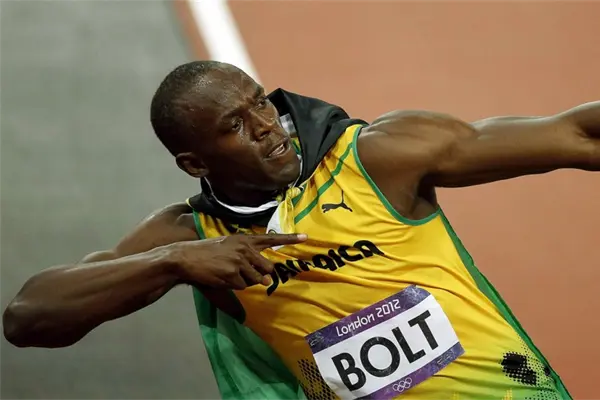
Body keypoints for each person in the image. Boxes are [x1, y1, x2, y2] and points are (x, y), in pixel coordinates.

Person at [4, 60, 598, 400]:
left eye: (261, 104)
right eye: (236, 125)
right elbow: (27, 318)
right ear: (194, 163)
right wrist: (173, 262)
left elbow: (574, 135)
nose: (268, 126)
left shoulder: (378, 157)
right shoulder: (190, 235)